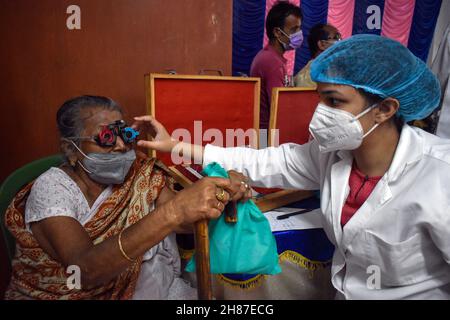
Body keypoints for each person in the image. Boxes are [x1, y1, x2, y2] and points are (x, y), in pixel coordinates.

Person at [134, 35, 450, 299]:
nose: (320, 113)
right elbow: (261, 161)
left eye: (335, 101)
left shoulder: (440, 174)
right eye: (320, 99)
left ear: (385, 109)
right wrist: (174, 146)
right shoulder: (332, 155)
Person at [4, 95, 249, 300]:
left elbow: (186, 222)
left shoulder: (139, 172)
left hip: (158, 288)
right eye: (107, 138)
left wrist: (222, 191)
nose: (121, 145)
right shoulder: (51, 189)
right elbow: (84, 270)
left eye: (125, 134)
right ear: (71, 150)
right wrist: (173, 212)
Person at [250, 1, 303, 130]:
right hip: (266, 133)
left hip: (266, 130)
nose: (299, 34)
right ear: (277, 33)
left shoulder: (270, 57)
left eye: (299, 28)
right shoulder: (271, 62)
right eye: (294, 29)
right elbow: (280, 107)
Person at [294, 23, 341, 88]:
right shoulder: (309, 75)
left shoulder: (330, 70)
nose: (341, 42)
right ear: (322, 44)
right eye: (337, 37)